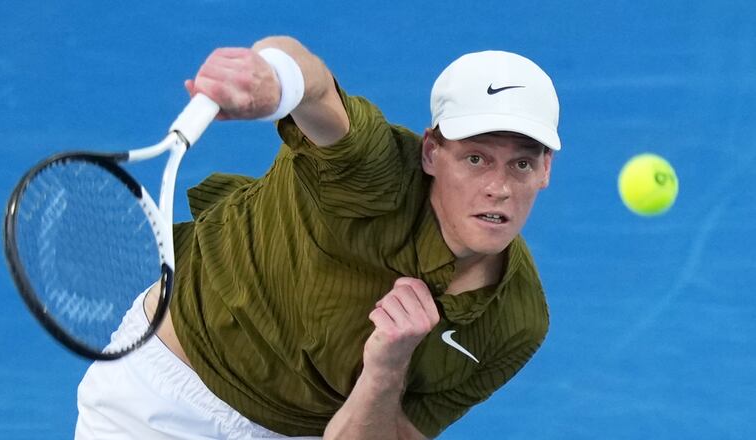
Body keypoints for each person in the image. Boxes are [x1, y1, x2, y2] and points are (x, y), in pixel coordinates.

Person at [75, 35, 560, 440]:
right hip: (158, 401)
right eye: (476, 158)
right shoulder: (371, 170)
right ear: (432, 152)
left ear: (545, 172)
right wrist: (273, 76)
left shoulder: (517, 321)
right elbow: (315, 89)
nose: (499, 188)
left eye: (522, 162)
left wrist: (386, 367)